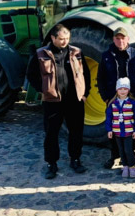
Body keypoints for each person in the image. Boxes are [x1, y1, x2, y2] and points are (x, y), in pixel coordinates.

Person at [26, 24, 91, 179]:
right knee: (51, 133)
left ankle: (75, 159)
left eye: (67, 38)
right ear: (53, 38)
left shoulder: (77, 53)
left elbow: (86, 74)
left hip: (74, 100)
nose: (64, 42)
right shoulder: (41, 54)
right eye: (61, 39)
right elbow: (31, 75)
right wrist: (45, 89)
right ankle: (51, 164)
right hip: (53, 102)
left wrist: (85, 94)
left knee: (76, 131)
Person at [96, 28, 135, 169]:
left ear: (128, 39)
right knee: (114, 126)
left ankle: (133, 155)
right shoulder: (107, 56)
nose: (120, 41)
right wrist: (105, 97)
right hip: (114, 98)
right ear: (113, 39)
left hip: (132, 98)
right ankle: (114, 156)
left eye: (123, 38)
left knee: (134, 125)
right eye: (117, 38)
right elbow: (100, 78)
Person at [105, 77, 135, 178]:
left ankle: (131, 166)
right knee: (121, 150)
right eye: (120, 89)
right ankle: (125, 166)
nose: (122, 91)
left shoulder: (132, 103)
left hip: (128, 131)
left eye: (125, 89)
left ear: (128, 90)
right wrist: (109, 129)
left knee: (128, 150)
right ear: (117, 90)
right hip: (117, 131)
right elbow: (108, 117)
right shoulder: (112, 103)